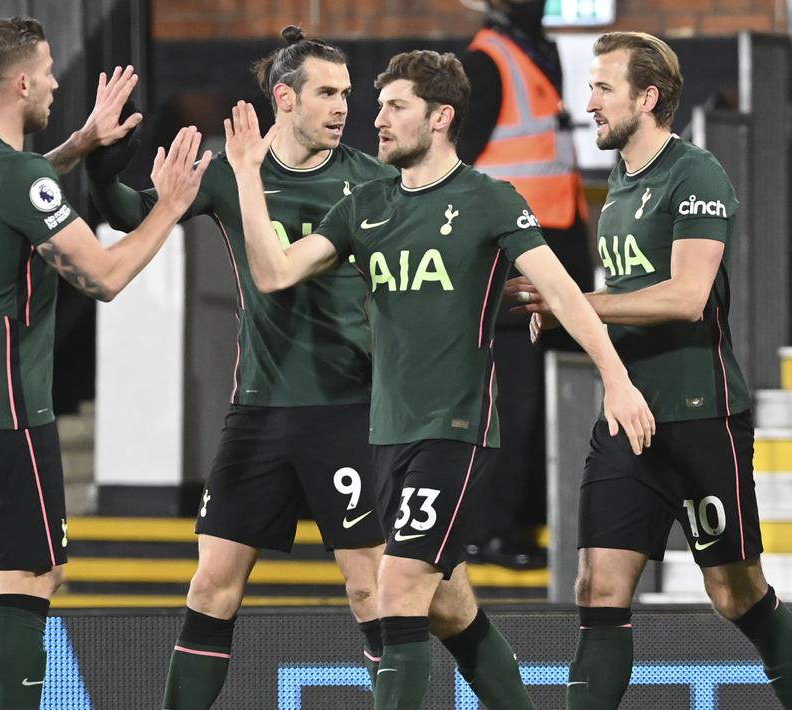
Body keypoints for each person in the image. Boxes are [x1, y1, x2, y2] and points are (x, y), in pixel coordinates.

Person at [226, 49, 654, 710]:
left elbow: (565, 295)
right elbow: (275, 273)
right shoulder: (364, 205)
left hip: (454, 432)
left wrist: (616, 381)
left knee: (397, 585)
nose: (377, 120)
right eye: (380, 107)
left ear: (441, 117)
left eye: (396, 107)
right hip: (385, 436)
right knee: (449, 609)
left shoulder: (488, 200)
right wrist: (247, 180)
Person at [508, 31, 792, 710]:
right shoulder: (619, 185)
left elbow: (686, 297)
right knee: (597, 589)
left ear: (646, 98)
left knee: (734, 594)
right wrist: (567, 310)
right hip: (626, 421)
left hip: (700, 417)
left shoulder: (696, 174)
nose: (586, 102)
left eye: (602, 88)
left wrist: (576, 303)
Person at [87, 27, 393, 708]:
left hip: (350, 408)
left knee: (368, 586)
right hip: (258, 409)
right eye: (326, 93)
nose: (344, 106)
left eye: (347, 93)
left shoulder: (372, 183)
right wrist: (104, 166)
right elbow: (133, 215)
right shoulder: (228, 174)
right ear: (283, 97)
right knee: (210, 585)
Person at [0, 17, 210, 710]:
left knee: (19, 570)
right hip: (3, 405)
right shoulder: (14, 174)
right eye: (46, 72)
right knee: (30, 580)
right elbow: (104, 276)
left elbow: (12, 197)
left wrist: (79, 143)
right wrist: (168, 208)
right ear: (20, 82)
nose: (53, 82)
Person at [458, 0, 593, 568]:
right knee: (510, 402)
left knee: (541, 400)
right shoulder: (486, 63)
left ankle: (526, 521)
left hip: (555, 249)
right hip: (509, 254)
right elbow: (456, 164)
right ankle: (492, 530)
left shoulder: (535, 52)